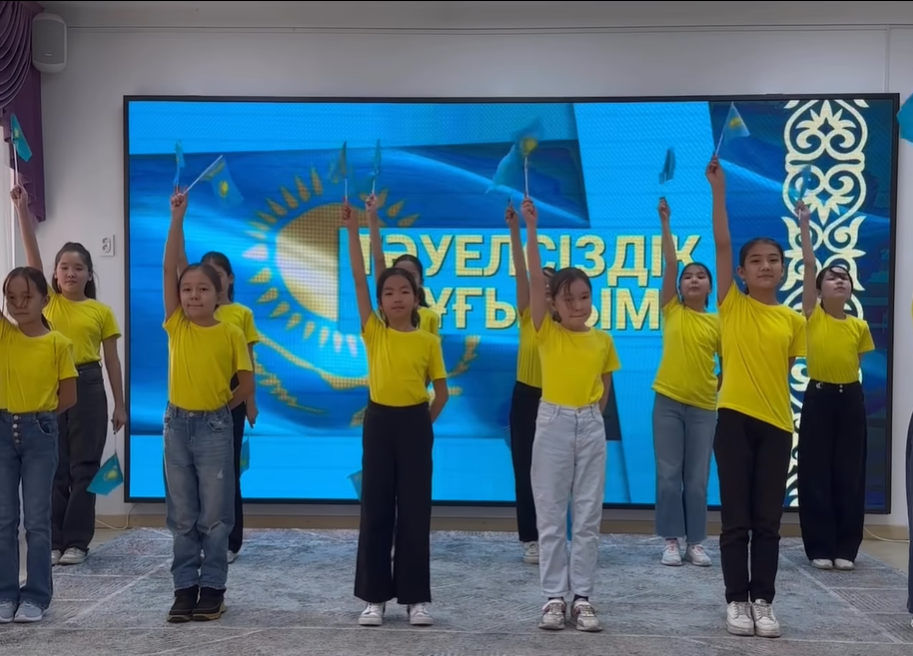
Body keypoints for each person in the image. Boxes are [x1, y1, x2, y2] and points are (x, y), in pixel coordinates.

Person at [708, 156, 806, 639]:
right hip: (733, 422)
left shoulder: (793, 320)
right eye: (756, 261)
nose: (766, 266)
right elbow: (723, 243)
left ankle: (763, 601)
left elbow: (782, 372)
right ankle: (736, 601)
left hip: (777, 427)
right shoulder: (732, 305)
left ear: (782, 269)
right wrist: (719, 191)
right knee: (736, 521)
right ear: (742, 273)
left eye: (774, 260)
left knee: (768, 521)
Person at [344, 198, 449, 628]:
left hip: (415, 424)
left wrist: (421, 425)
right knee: (376, 509)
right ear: (380, 302)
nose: (396, 297)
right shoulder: (374, 331)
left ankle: (416, 598)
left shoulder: (428, 340)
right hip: (379, 423)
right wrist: (358, 226)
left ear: (416, 297)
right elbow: (360, 275)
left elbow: (441, 393)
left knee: (415, 512)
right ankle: (374, 598)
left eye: (404, 291)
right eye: (388, 292)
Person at [521, 197, 621, 633]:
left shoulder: (602, 340)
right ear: (554, 304)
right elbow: (532, 278)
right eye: (569, 299)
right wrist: (531, 228)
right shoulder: (546, 333)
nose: (578, 305)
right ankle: (553, 598)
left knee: (587, 516)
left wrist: (591, 417)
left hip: (590, 425)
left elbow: (605, 385)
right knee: (549, 512)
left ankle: (582, 597)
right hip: (553, 424)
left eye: (584, 297)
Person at [11, 185, 125, 567]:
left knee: (85, 467)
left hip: (89, 385)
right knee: (54, 467)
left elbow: (112, 361)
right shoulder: (48, 303)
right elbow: (31, 257)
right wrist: (22, 210)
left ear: (89, 274)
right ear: (55, 275)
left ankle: (77, 541)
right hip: (50, 386)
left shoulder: (100, 311)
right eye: (64, 267)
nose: (71, 273)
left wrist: (120, 405)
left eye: (78, 268)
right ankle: (54, 540)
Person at [162, 188, 253, 623]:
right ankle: (185, 588)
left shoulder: (231, 331)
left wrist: (220, 409)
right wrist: (177, 217)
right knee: (182, 514)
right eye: (187, 289)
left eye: (203, 289)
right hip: (176, 427)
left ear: (220, 294)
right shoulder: (176, 325)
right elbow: (169, 266)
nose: (193, 295)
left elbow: (246, 382)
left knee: (215, 516)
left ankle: (213, 588)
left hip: (215, 427)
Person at [796, 200, 873, 571]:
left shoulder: (859, 326)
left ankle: (846, 547)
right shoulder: (812, 315)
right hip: (819, 397)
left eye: (844, 277)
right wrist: (805, 224)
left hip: (850, 398)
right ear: (818, 289)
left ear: (851, 290)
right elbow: (810, 264)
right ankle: (819, 546)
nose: (839, 280)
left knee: (849, 473)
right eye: (832, 277)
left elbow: (857, 365)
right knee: (815, 472)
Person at [0, 266, 78, 623]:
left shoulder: (58, 343)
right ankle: (6, 593)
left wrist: (39, 417)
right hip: (3, 430)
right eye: (11, 297)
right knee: (4, 518)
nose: (18, 303)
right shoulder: (5, 334)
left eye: (27, 297)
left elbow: (69, 397)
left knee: (36, 519)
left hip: (40, 433)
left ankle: (36, 595)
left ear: (45, 300)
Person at [177, 248, 259, 565]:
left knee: (226, 473)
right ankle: (199, 537)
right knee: (194, 477)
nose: (199, 290)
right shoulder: (187, 316)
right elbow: (176, 267)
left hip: (228, 400)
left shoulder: (240, 316)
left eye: (217, 276)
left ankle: (229, 540)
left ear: (229, 279)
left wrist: (249, 402)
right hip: (193, 403)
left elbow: (248, 363)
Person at [652, 196, 720, 568]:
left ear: (709, 287)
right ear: (679, 286)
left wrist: (716, 386)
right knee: (668, 476)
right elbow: (671, 262)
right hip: (667, 402)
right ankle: (671, 540)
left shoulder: (719, 322)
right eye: (688, 276)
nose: (693, 279)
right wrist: (666, 222)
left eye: (700, 276)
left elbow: (729, 364)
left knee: (696, 479)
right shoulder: (672, 309)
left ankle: (696, 542)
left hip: (704, 407)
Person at [505, 199, 555, 565]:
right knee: (524, 469)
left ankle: (555, 534)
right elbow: (525, 273)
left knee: (554, 472)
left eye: (551, 284)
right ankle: (531, 537)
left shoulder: (567, 324)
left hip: (557, 398)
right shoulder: (527, 314)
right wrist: (516, 229)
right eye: (541, 283)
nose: (544, 288)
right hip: (525, 398)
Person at [366, 208, 439, 336]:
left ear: (421, 282)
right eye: (400, 274)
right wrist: (372, 217)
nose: (406, 279)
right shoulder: (387, 310)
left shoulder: (430, 317)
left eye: (411, 275)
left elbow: (433, 348)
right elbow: (378, 260)